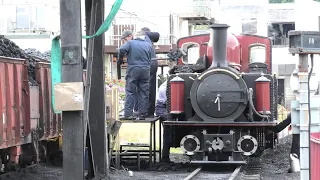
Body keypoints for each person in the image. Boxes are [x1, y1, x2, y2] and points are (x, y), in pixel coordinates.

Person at [118, 31, 153, 120]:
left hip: (133, 69)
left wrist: (120, 59)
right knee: (144, 92)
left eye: (125, 39)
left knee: (130, 91)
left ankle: (128, 114)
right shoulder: (148, 45)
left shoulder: (130, 43)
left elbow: (121, 50)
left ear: (131, 36)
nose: (125, 41)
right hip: (145, 70)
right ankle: (142, 115)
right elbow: (150, 58)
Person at [141, 27, 160, 117]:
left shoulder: (145, 35)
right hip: (152, 62)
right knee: (151, 87)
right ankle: (150, 112)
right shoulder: (147, 39)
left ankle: (146, 112)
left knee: (145, 87)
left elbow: (156, 35)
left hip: (149, 63)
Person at [155, 80, 173, 163]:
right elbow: (170, 101)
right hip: (162, 108)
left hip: (167, 107)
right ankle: (165, 156)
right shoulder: (164, 88)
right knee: (168, 130)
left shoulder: (167, 86)